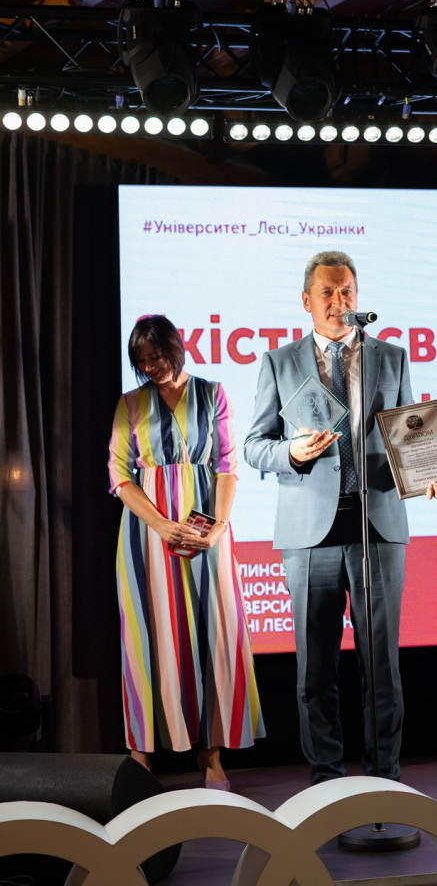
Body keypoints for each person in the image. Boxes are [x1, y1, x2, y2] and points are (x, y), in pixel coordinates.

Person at [243, 250, 437, 785]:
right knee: (315, 672)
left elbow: (409, 433)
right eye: (328, 293)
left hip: (376, 525)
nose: (339, 302)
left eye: (347, 292)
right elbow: (254, 445)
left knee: (382, 668)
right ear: (306, 301)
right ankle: (326, 782)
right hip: (309, 534)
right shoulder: (279, 362)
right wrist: (292, 453)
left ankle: (384, 780)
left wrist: (430, 470)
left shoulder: (391, 357)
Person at [108, 315, 264, 788]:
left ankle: (210, 755)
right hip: (146, 537)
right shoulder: (130, 404)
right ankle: (141, 757)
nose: (150, 367)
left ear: (176, 347)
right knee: (147, 637)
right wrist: (160, 525)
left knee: (212, 633)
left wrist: (216, 528)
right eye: (142, 361)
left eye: (156, 356)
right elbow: (119, 475)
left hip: (205, 532)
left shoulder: (212, 393)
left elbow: (227, 466)